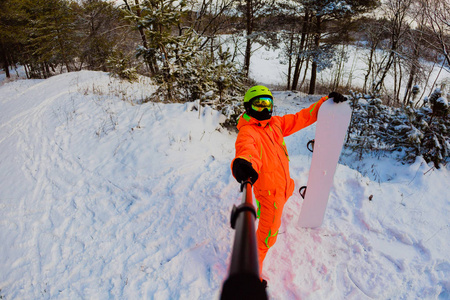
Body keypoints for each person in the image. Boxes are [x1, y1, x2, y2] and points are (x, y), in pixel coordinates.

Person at [230, 85, 346, 279]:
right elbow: (246, 150)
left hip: (282, 189)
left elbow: (302, 117)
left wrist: (324, 104)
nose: (265, 109)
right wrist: (243, 164)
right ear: (248, 107)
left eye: (268, 104)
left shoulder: (275, 124)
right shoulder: (248, 132)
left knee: (271, 214)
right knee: (266, 239)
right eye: (259, 104)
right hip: (270, 196)